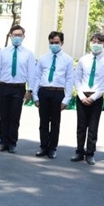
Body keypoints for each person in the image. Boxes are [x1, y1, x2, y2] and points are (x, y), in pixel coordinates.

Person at [30, 31, 74, 159]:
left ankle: (52, 148)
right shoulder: (43, 58)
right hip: (44, 92)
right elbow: (37, 77)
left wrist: (67, 99)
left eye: (56, 43)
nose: (54, 45)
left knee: (55, 122)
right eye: (51, 43)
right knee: (43, 121)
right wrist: (35, 96)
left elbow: (70, 80)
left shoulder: (68, 60)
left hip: (58, 92)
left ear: (62, 43)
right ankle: (43, 146)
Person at [0, 24, 35, 153]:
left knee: (15, 116)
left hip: (19, 88)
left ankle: (12, 143)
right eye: (14, 35)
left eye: (19, 35)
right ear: (10, 36)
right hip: (4, 87)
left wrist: (29, 90)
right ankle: (3, 141)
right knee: (3, 116)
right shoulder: (3, 53)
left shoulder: (28, 54)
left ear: (23, 37)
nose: (17, 37)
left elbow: (31, 73)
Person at [71, 33, 104, 166]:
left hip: (96, 96)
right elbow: (77, 78)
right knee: (81, 126)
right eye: (93, 41)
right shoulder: (84, 59)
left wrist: (94, 97)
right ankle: (79, 151)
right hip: (82, 95)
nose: (95, 44)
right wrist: (81, 95)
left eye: (99, 42)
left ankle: (90, 153)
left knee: (93, 127)